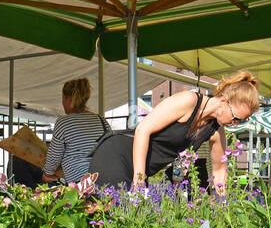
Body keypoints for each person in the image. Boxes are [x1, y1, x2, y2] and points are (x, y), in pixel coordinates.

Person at [88, 70, 260, 191]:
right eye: (236, 118)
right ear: (223, 101)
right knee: (111, 217)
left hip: (140, 170)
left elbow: (219, 171)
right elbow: (143, 129)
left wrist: (223, 207)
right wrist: (139, 181)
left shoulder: (215, 131)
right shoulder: (188, 101)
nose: (236, 124)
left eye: (242, 121)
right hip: (117, 155)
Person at [43, 78, 108, 183]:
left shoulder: (63, 122)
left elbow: (54, 156)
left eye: (63, 98)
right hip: (104, 179)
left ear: (68, 99)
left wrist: (47, 174)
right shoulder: (101, 120)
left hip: (81, 184)